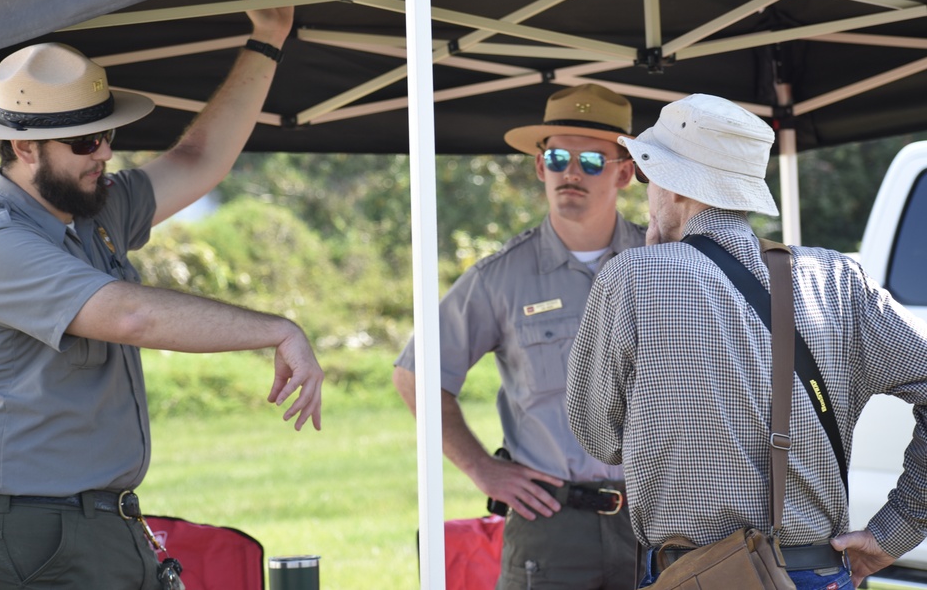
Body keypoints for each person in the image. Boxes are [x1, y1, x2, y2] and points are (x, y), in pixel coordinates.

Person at [0, 0, 324, 589]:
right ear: (26, 149)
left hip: (98, 522)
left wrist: (268, 37)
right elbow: (129, 314)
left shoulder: (93, 207)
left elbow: (196, 159)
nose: (106, 153)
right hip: (34, 532)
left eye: (107, 132)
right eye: (85, 142)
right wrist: (276, 329)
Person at [566, 92, 927, 590]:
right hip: (820, 573)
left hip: (696, 578)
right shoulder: (839, 279)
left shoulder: (631, 278)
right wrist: (896, 531)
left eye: (649, 177)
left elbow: (599, 437)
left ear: (674, 185)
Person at [393, 84, 646, 589]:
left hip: (659, 520)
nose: (571, 173)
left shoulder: (666, 264)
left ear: (624, 173)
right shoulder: (499, 279)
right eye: (557, 157)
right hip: (553, 525)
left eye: (592, 161)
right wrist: (483, 469)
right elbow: (414, 375)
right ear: (539, 167)